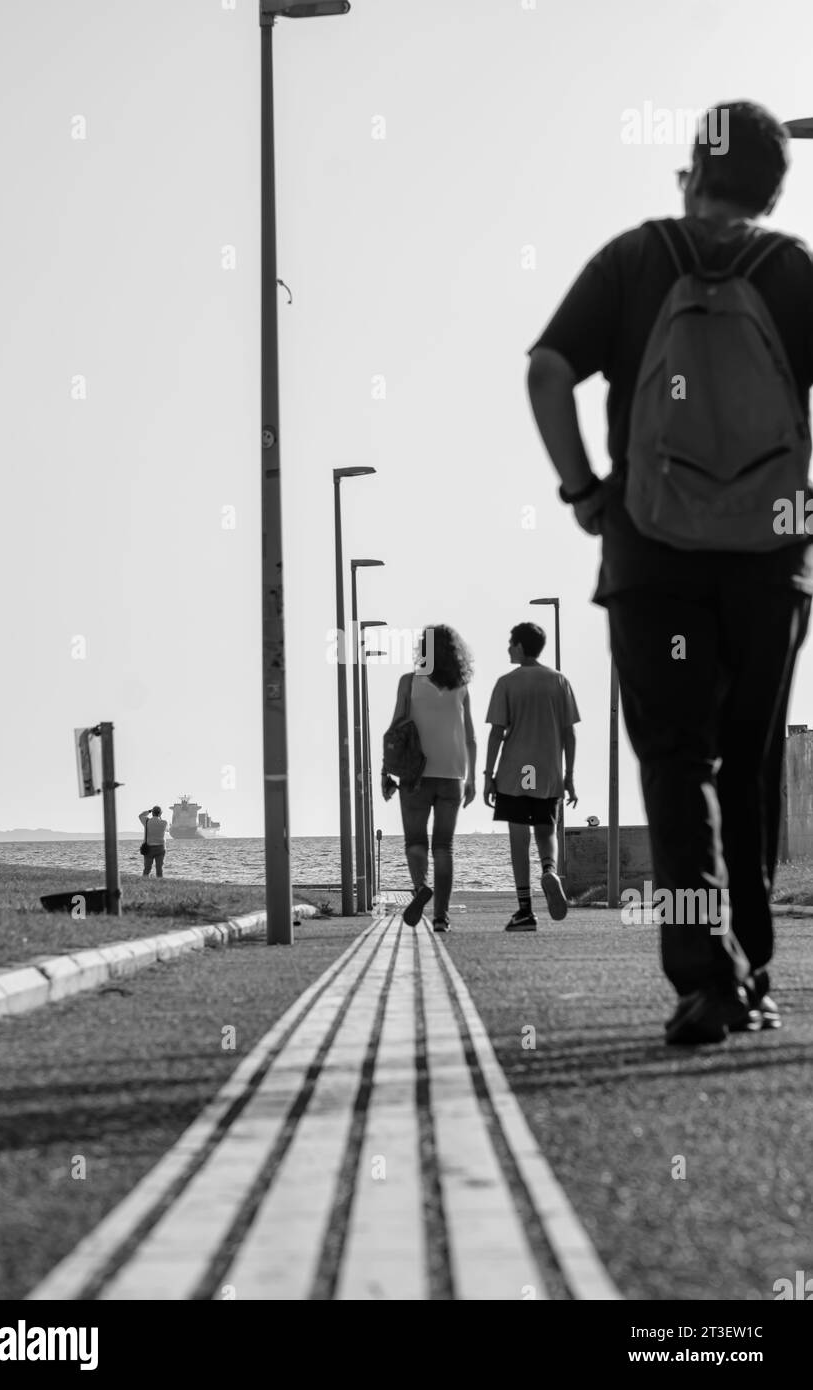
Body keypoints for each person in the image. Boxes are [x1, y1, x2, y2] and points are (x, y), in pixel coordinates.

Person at [526, 100, 813, 1043]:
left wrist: (584, 493)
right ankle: (756, 970)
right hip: (771, 561)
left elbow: (547, 372)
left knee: (677, 763)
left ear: (692, 166)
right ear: (774, 187)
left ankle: (704, 979)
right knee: (751, 764)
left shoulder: (635, 259)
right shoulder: (791, 271)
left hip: (652, 558)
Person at [484, 623, 580, 931]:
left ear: (522, 647)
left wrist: (488, 775)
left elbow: (497, 733)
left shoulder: (506, 683)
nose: (509, 648)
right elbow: (570, 733)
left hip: (515, 770)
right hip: (548, 769)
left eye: (512, 643)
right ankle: (549, 870)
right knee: (545, 828)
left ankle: (525, 910)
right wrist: (570, 775)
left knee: (518, 836)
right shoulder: (559, 682)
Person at [382, 625, 477, 931]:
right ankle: (441, 917)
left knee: (415, 841)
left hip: (415, 774)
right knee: (444, 847)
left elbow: (396, 728)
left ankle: (421, 886)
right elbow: (471, 737)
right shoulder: (461, 687)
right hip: (452, 775)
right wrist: (472, 778)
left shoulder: (409, 683)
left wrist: (386, 770)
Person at [139, 805, 167, 878]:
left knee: (147, 868)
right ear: (160, 813)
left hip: (149, 847)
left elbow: (141, 815)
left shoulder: (147, 821)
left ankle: (144, 881)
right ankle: (160, 882)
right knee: (159, 869)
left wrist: (149, 811)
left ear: (152, 813)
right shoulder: (164, 823)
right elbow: (160, 820)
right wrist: (159, 815)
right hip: (160, 848)